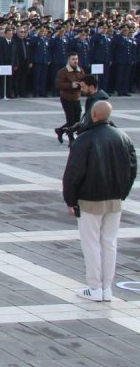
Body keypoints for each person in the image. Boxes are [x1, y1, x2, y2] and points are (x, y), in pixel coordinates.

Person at [62, 101, 136, 302]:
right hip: (114, 198)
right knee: (109, 243)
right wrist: (122, 192)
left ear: (94, 114)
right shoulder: (122, 136)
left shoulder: (85, 139)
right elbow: (132, 168)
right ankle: (106, 288)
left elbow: (73, 173)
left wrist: (70, 199)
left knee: (91, 244)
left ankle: (94, 287)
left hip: (90, 198)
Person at [55, 53, 86, 144]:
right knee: (70, 120)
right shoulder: (63, 71)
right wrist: (70, 85)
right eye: (73, 59)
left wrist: (82, 86)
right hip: (66, 97)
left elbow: (84, 81)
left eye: (76, 59)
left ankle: (60, 130)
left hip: (76, 98)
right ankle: (71, 139)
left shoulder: (81, 70)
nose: (75, 61)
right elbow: (58, 84)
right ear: (68, 60)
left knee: (77, 121)